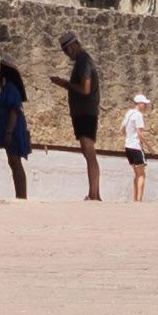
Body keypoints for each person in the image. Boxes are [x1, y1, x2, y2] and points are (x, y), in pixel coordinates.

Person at [58, 31, 103, 201]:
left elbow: (85, 89)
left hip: (86, 112)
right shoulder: (81, 61)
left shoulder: (84, 60)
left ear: (74, 45)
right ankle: (94, 193)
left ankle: (94, 194)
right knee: (87, 151)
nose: (67, 53)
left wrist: (65, 84)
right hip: (82, 112)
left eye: (67, 49)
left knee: (89, 151)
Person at [0, 58, 33, 200]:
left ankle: (21, 195)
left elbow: (14, 111)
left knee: (15, 161)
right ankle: (19, 194)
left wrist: (9, 132)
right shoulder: (8, 88)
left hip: (13, 129)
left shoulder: (10, 88)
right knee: (13, 161)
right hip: (10, 128)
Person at [123, 92, 152, 201]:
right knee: (141, 175)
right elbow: (140, 134)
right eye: (144, 103)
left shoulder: (129, 113)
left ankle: (135, 199)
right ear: (139, 103)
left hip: (128, 146)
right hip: (136, 146)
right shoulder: (138, 115)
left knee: (136, 173)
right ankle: (139, 200)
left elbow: (122, 129)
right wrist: (149, 147)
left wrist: (129, 137)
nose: (146, 106)